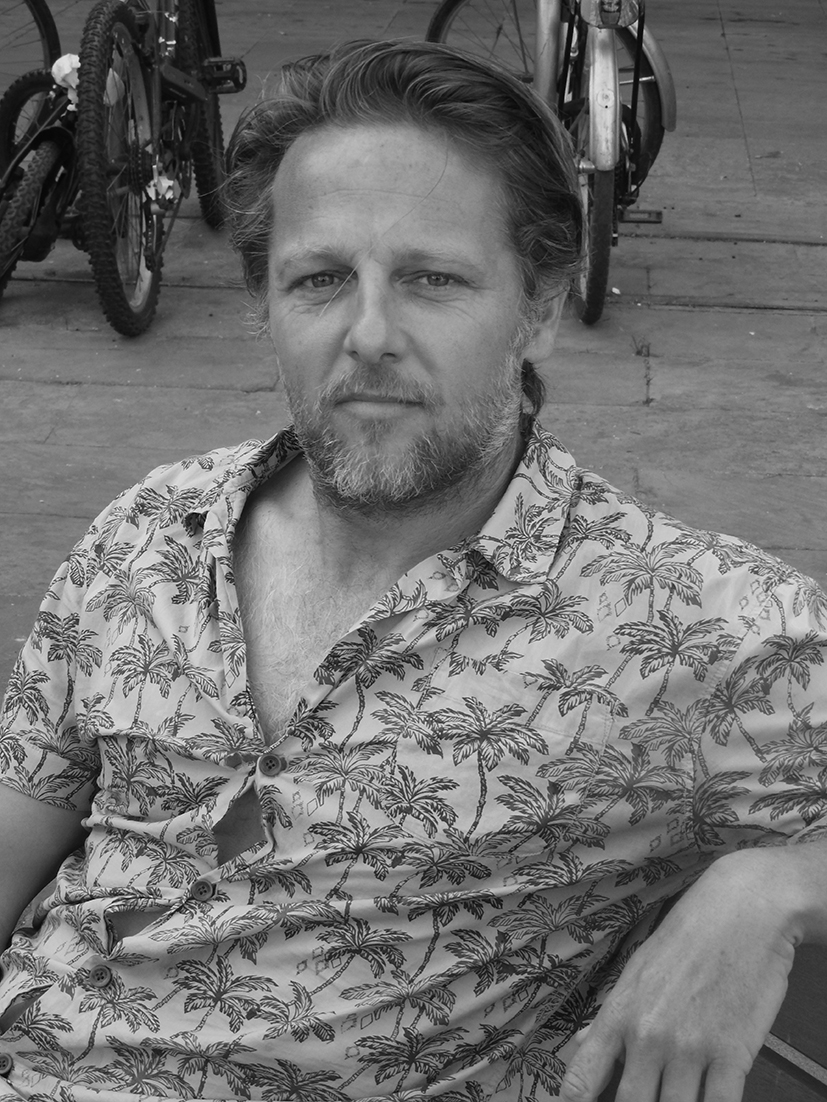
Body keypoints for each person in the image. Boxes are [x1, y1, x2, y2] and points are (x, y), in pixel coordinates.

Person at [0, 38, 825, 1102]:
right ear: (266, 306)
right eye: (320, 280)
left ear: (536, 307)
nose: (369, 335)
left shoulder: (684, 620)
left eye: (431, 280)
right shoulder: (152, 529)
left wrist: (771, 889)